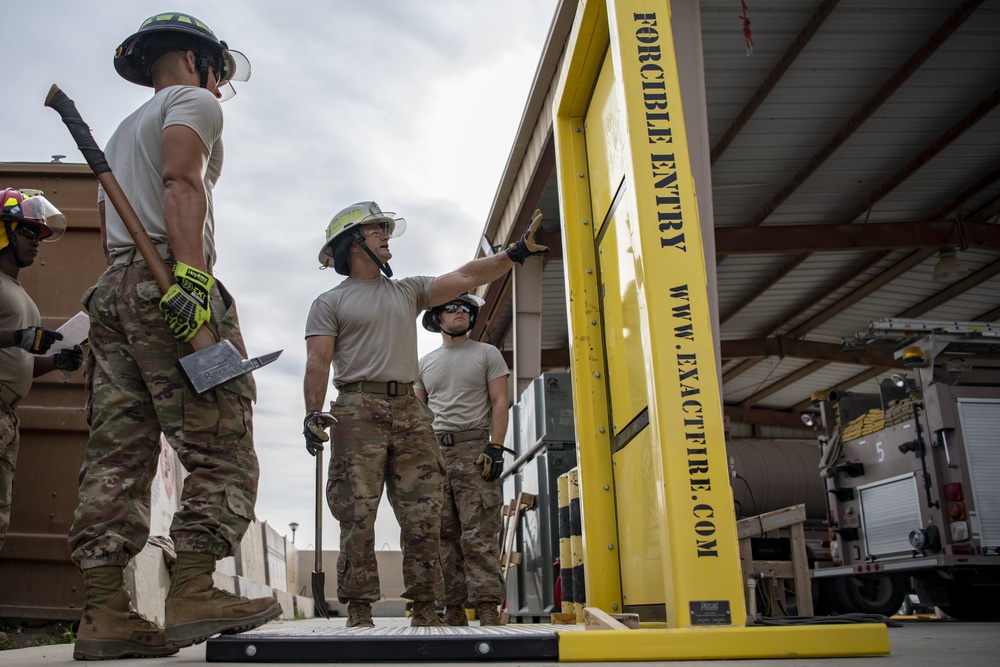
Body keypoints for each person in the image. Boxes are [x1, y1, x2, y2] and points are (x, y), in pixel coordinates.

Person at [66, 12, 279, 661]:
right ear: (196, 60)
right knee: (221, 435)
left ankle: (105, 610)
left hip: (113, 290)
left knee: (119, 448)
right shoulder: (192, 103)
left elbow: (117, 228)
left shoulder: (125, 127)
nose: (218, 86)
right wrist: (189, 282)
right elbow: (181, 179)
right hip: (166, 281)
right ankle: (192, 587)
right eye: (217, 74)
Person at [303, 201, 545, 628]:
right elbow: (318, 362)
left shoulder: (408, 290)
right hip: (356, 408)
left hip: (411, 412)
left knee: (424, 513)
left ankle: (425, 605)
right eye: (377, 229)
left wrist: (513, 254)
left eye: (385, 228)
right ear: (354, 242)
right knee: (356, 511)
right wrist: (312, 413)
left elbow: (467, 275)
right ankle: (360, 606)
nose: (386, 235)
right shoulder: (329, 302)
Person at [414, 292, 512, 626]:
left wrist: (495, 448)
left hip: (475, 450)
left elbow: (500, 402)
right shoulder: (424, 363)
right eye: (451, 308)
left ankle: (486, 604)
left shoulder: (487, 354)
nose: (460, 312)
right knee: (442, 534)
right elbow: (418, 412)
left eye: (466, 309)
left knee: (479, 531)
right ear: (436, 317)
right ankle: (452, 607)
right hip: (435, 453)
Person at [1, 188, 81, 553]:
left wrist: (55, 361)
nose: (38, 243)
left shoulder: (18, 293)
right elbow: (17, 342)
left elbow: (19, 364)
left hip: (7, 416)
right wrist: (19, 336)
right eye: (29, 233)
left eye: (40, 236)